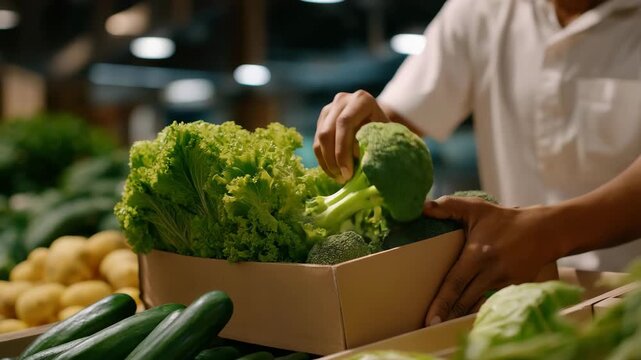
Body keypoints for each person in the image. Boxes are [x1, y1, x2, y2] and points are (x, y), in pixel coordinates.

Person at [312, 0, 641, 326]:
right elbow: (396, 125)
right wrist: (363, 125)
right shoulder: (478, 8)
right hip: (515, 306)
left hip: (629, 297)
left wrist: (550, 233)